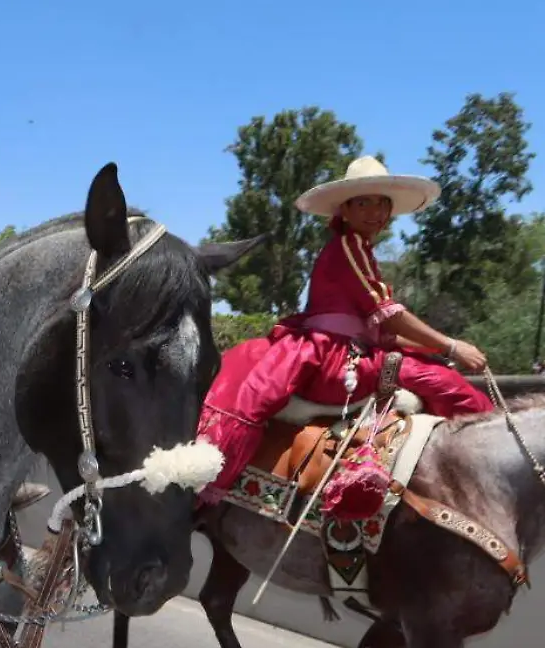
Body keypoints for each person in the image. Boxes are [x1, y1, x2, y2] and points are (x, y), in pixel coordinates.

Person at [196, 157, 494, 506]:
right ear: (345, 210)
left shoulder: (358, 249)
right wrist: (452, 347)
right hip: (334, 358)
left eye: (383, 203)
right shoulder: (349, 245)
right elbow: (388, 314)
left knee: (432, 370)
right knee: (449, 387)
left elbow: (381, 329)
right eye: (363, 202)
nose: (375, 211)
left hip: (345, 349)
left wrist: (431, 349)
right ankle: (482, 472)